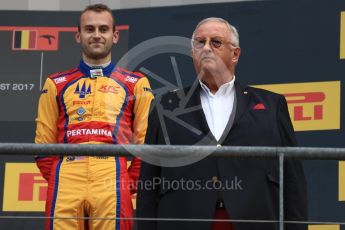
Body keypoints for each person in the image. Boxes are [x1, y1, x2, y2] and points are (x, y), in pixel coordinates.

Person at [136, 17, 307, 230]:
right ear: (192, 54)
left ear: (235, 54)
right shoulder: (165, 106)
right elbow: (149, 181)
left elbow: (293, 180)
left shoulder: (272, 105)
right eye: (200, 43)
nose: (206, 48)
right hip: (184, 219)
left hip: (255, 219)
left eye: (215, 42)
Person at [34, 4, 153, 230]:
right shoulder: (56, 83)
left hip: (113, 174)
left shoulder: (135, 83)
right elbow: (42, 144)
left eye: (103, 29)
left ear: (114, 36)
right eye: (89, 29)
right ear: (78, 36)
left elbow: (145, 141)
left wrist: (126, 183)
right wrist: (61, 177)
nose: (96, 35)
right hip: (66, 173)